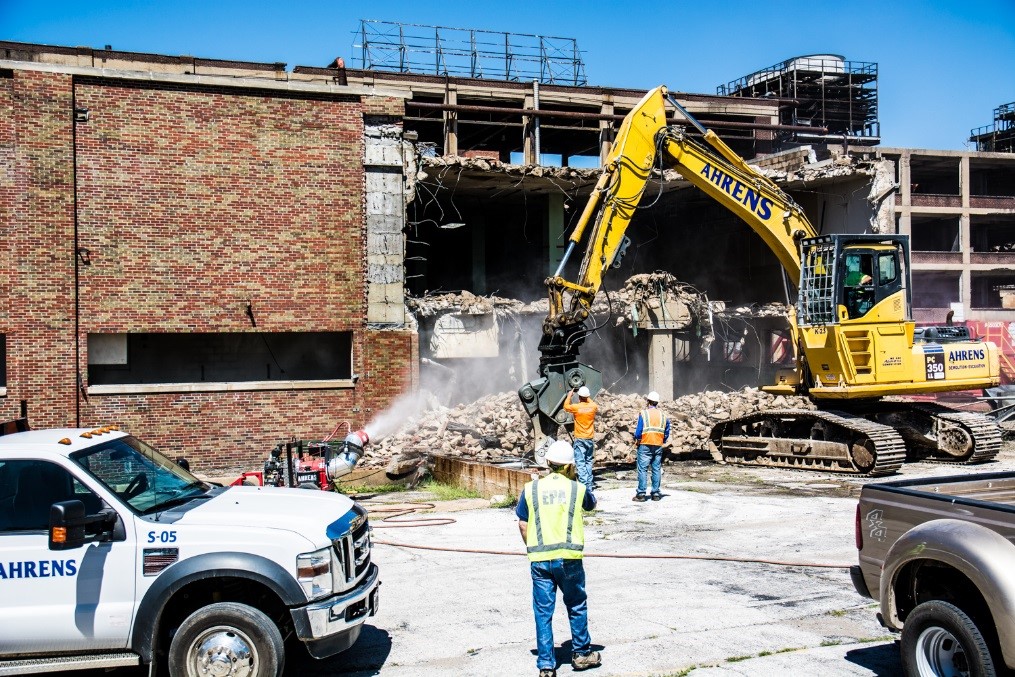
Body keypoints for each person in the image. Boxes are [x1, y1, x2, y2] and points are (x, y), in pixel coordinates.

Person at [517, 440, 602, 677]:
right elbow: (591, 504)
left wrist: (533, 549)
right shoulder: (577, 489)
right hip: (569, 559)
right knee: (576, 604)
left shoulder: (530, 489)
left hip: (540, 559)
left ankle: (546, 664)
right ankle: (582, 654)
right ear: (567, 467)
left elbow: (523, 523)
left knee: (543, 611)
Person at [632, 391, 671, 502]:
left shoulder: (644, 414)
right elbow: (666, 432)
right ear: (657, 402)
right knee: (656, 469)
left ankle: (641, 494)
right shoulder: (663, 416)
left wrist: (637, 439)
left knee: (642, 469)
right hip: (658, 445)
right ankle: (656, 494)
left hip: (645, 444)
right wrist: (661, 440)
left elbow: (639, 431)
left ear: (648, 401)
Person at [562, 385, 598, 493]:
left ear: (579, 397)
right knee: (588, 463)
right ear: (588, 396)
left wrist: (569, 395)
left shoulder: (576, 408)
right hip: (590, 439)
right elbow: (590, 402)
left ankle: (584, 489)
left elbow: (565, 406)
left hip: (580, 439)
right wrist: (586, 396)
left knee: (581, 464)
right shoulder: (593, 406)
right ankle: (589, 487)